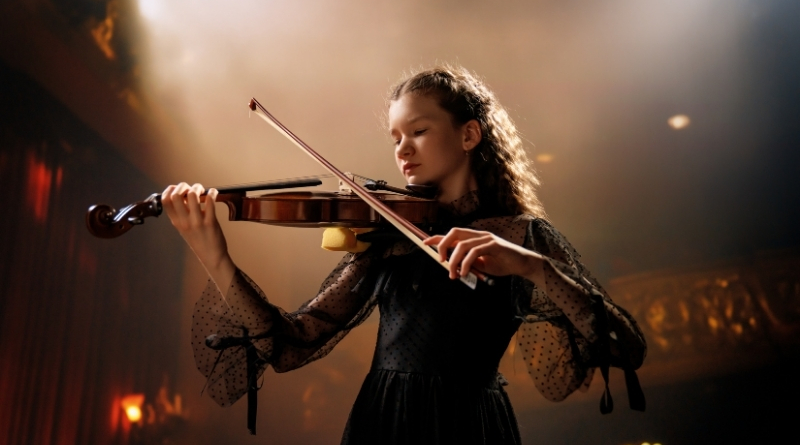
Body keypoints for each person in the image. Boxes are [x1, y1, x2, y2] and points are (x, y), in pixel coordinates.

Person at [161, 65, 647, 444]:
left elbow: (626, 348)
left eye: (417, 131)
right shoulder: (389, 239)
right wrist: (215, 257)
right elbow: (291, 347)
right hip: (384, 423)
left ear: (469, 135)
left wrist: (531, 265)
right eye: (395, 138)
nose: (402, 150)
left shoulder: (523, 235)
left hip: (470, 429)